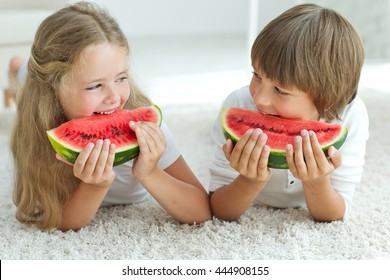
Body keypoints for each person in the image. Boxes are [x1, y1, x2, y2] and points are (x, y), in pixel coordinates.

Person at [11, 1, 211, 231]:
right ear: (54, 90)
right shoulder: (41, 132)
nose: (114, 97)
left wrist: (150, 172)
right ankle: (17, 66)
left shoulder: (144, 130)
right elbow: (60, 221)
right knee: (24, 77)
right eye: (95, 86)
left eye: (121, 78)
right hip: (38, 83)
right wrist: (95, 186)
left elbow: (201, 211)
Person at [209, 4, 369, 222]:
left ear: (328, 100)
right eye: (256, 75)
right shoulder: (238, 103)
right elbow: (219, 209)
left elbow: (335, 213)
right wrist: (249, 180)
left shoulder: (351, 116)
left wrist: (316, 181)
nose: (258, 99)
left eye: (280, 90)